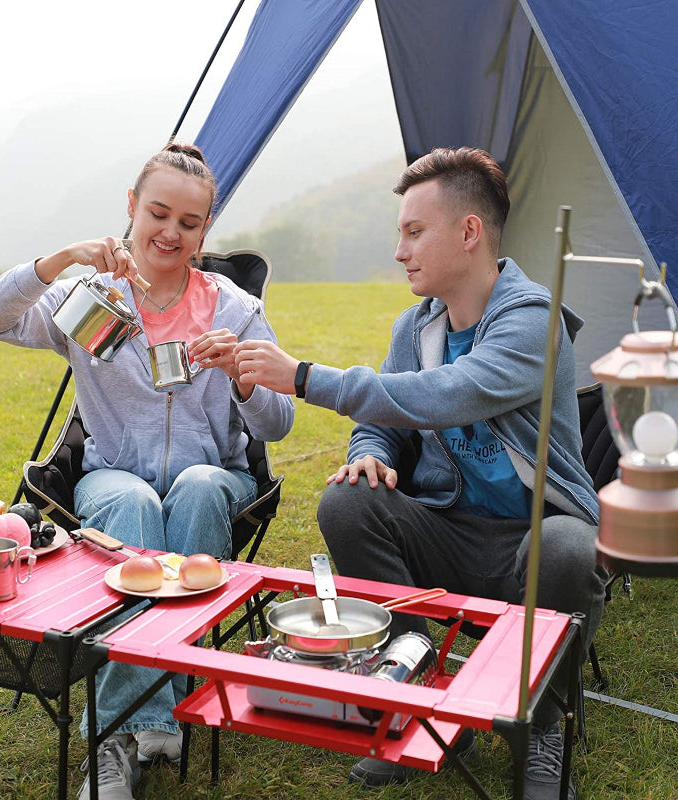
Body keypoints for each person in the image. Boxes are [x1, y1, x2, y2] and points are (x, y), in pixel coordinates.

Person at [233, 147, 606, 800]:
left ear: (469, 233)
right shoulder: (417, 325)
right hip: (447, 531)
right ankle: (421, 700)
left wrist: (301, 378)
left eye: (414, 231)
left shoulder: (533, 322)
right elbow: (389, 419)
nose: (400, 250)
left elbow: (444, 394)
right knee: (347, 504)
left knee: (574, 544)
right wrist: (370, 454)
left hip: (530, 542)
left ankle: (544, 727)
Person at [0, 142, 294, 800]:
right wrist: (63, 259)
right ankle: (138, 725)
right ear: (131, 209)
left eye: (189, 222)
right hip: (112, 472)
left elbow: (277, 424)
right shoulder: (93, 298)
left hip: (216, 473)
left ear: (207, 229)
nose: (170, 232)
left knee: (201, 490)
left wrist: (240, 373)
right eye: (158, 213)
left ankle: (137, 716)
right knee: (132, 504)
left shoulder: (233, 308)